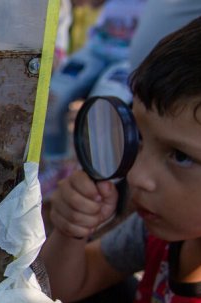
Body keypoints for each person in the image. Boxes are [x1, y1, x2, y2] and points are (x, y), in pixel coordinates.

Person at [41, 6, 201, 303]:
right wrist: (71, 231)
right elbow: (66, 286)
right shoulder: (155, 230)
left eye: (180, 155)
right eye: (140, 138)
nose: (137, 175)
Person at [40, 0, 145, 197]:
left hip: (132, 58)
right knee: (53, 94)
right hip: (97, 49)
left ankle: (94, 181)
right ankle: (57, 166)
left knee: (105, 107)